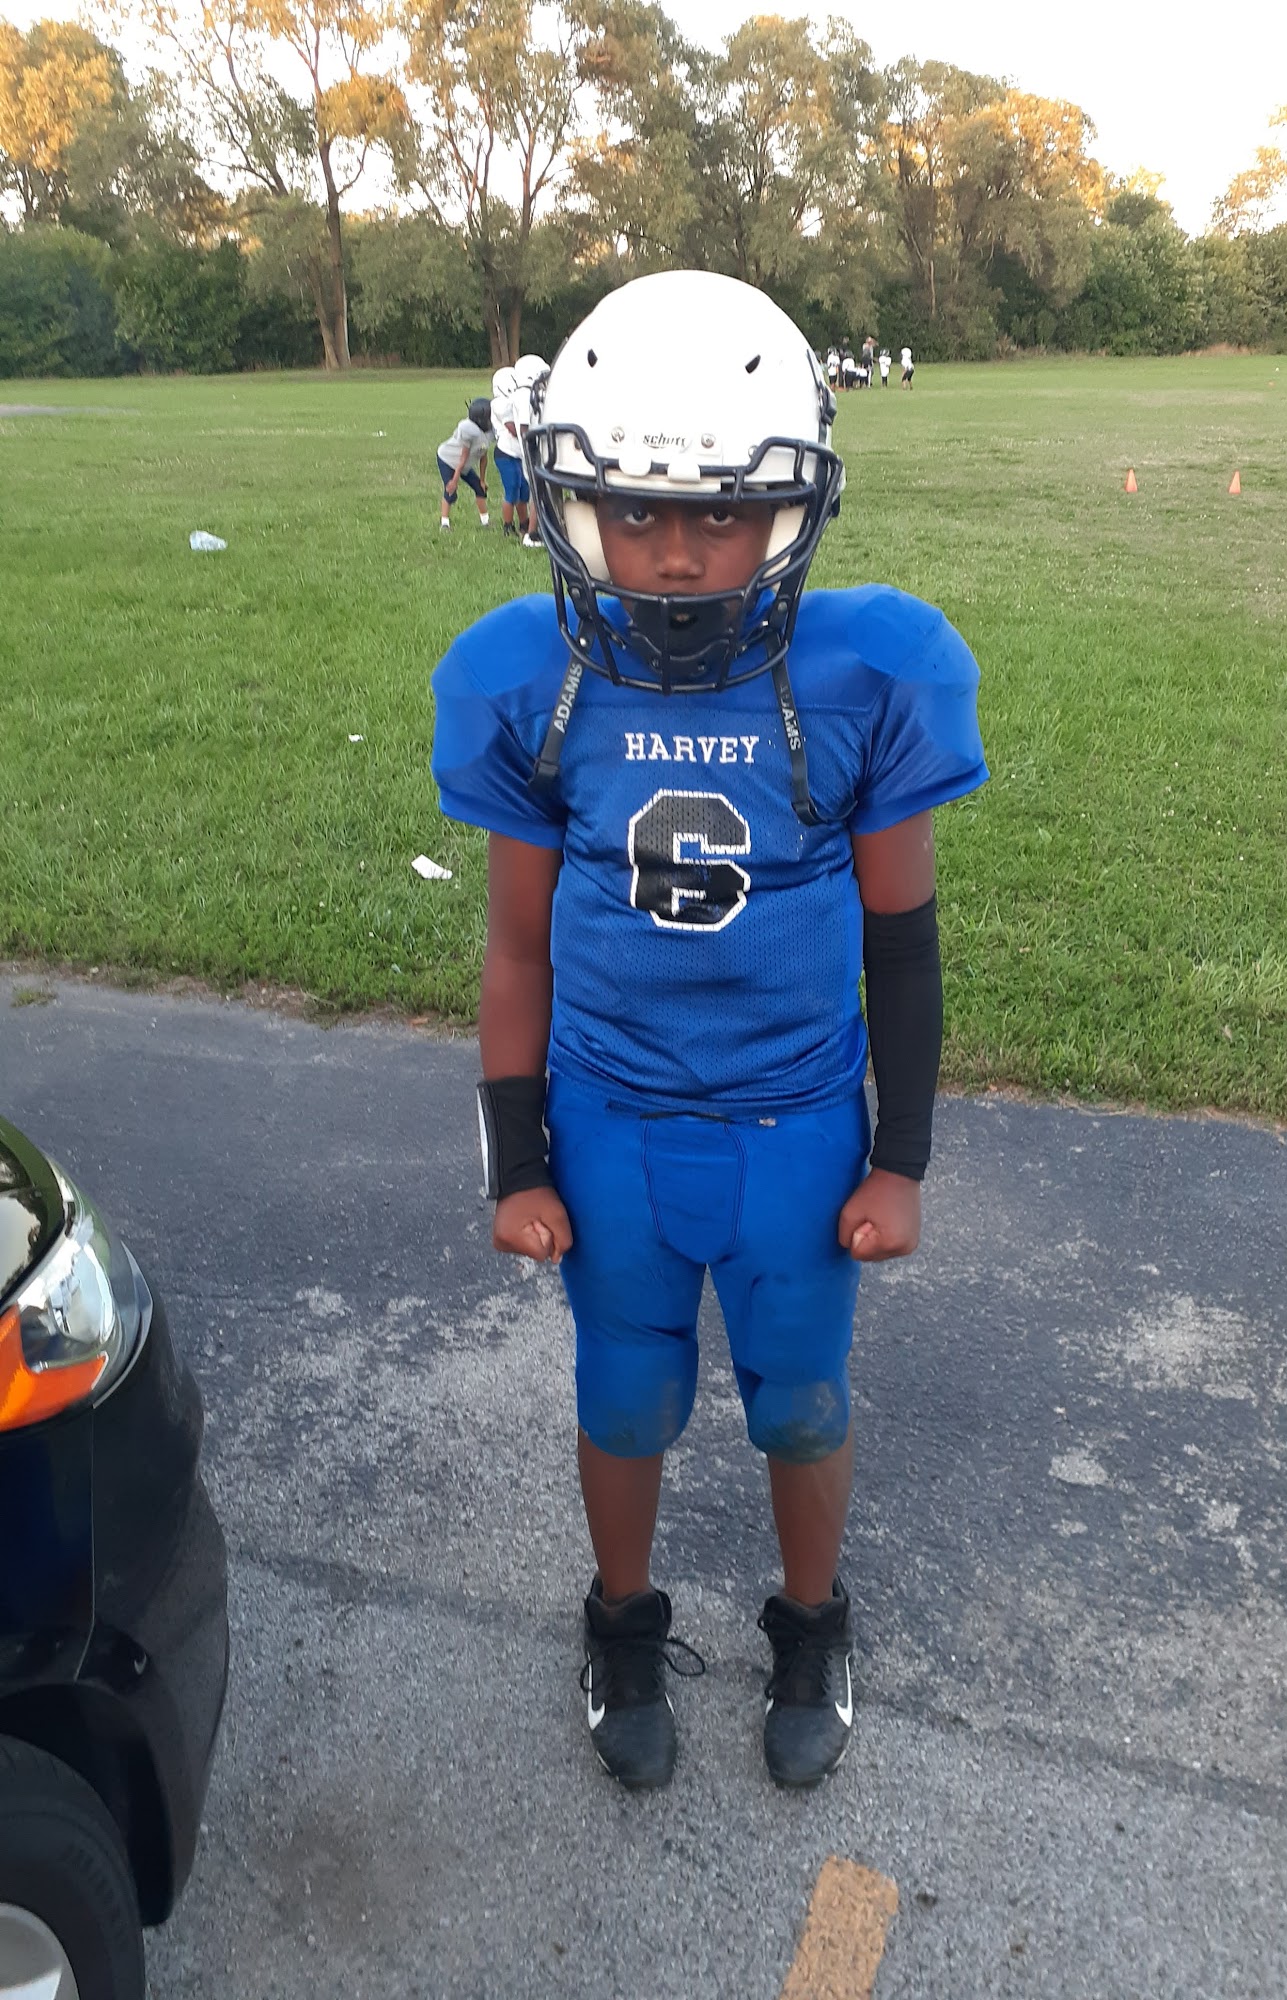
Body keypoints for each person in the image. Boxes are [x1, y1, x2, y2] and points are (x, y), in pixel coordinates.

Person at [430, 270, 987, 1794]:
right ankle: (622, 1622)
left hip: (798, 1125)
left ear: (791, 509)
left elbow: (901, 939)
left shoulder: (864, 675)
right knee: (625, 1394)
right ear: (572, 503)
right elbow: (516, 948)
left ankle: (813, 1623)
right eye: (639, 512)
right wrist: (516, 1161)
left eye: (724, 515)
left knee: (801, 1399)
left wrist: (903, 1159)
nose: (678, 553)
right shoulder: (535, 685)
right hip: (611, 1119)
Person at [493, 354, 548, 544]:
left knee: (534, 491)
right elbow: (523, 427)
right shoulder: (521, 396)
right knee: (533, 491)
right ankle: (530, 533)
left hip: (528, 449)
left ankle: (533, 528)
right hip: (526, 450)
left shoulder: (525, 394)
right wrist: (533, 444)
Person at [436, 397, 494, 531]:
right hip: (448, 459)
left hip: (463, 464)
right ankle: (444, 524)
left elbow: (483, 456)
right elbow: (463, 457)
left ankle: (485, 522)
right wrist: (454, 480)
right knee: (450, 491)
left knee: (480, 489)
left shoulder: (488, 433)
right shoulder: (469, 430)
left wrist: (482, 480)